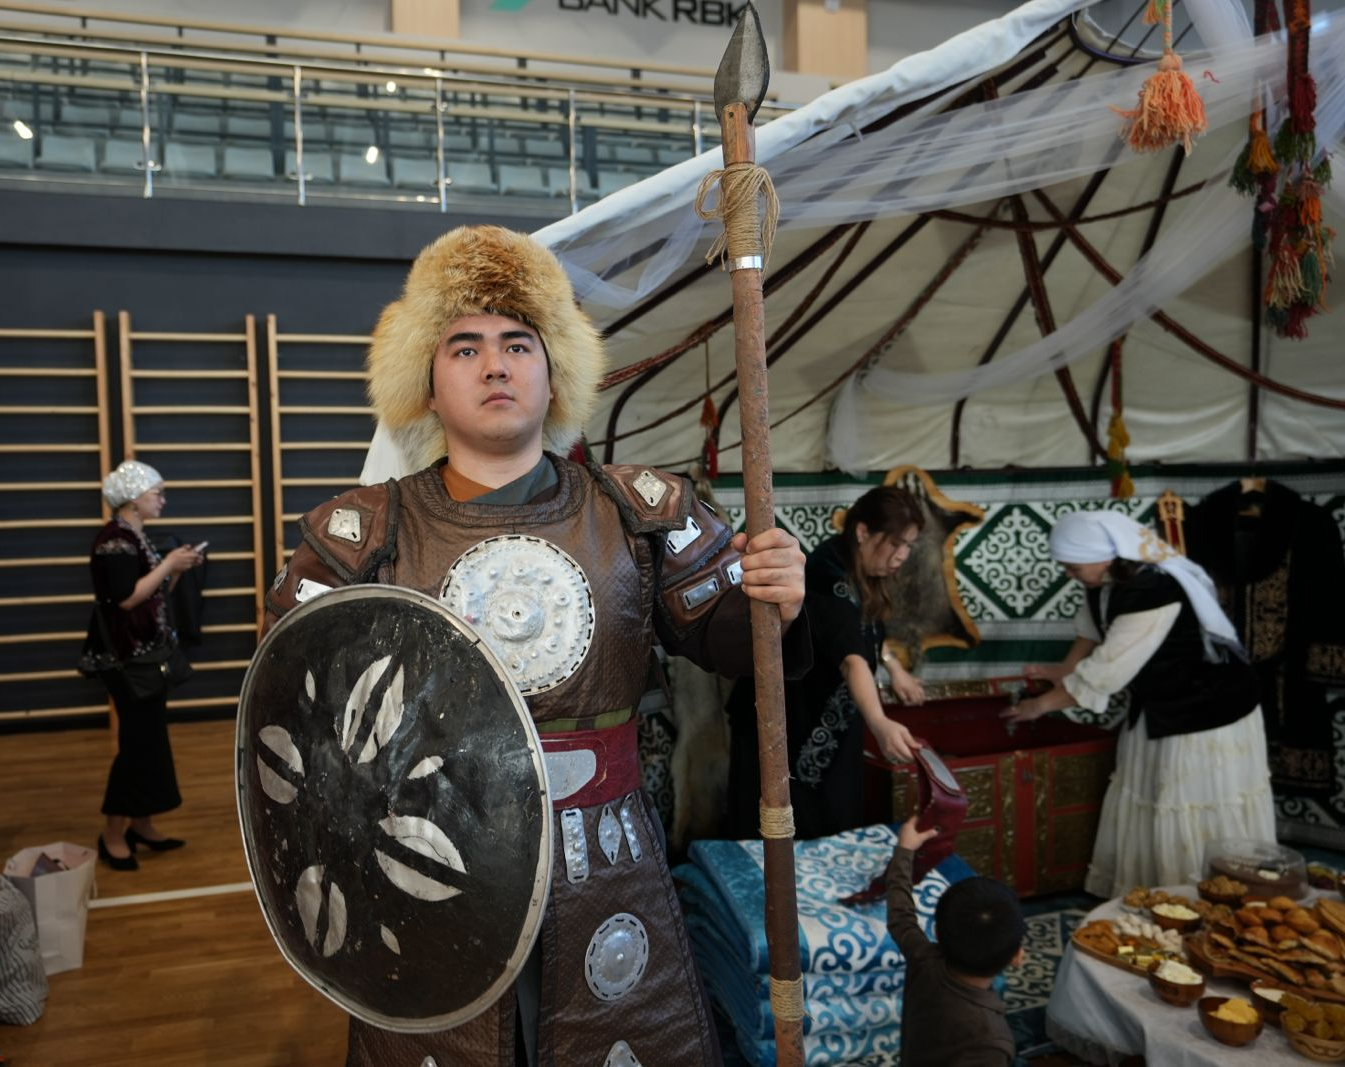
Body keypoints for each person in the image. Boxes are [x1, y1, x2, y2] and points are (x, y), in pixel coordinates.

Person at [261, 225, 812, 1067]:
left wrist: (776, 598)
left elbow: (735, 643)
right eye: (465, 347)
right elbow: (294, 724)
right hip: (423, 869)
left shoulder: (641, 512)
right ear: (427, 381)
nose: (496, 366)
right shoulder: (357, 538)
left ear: (555, 373)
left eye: (519, 344)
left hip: (608, 869)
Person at [1002, 510, 1274, 896]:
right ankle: (1157, 895)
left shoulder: (1152, 591)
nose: (1068, 575)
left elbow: (1105, 671)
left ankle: (1196, 897)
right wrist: (1062, 670)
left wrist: (1038, 706)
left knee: (1190, 801)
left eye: (1073, 567)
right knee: (1155, 796)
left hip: (1207, 711)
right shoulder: (1105, 581)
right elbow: (1090, 632)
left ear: (1104, 556)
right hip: (1163, 702)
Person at [724, 485, 929, 840]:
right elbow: (852, 660)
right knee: (788, 826)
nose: (902, 555)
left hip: (825, 723)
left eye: (909, 545)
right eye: (896, 543)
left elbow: (864, 633)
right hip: (790, 726)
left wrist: (894, 668)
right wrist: (879, 722)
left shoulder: (856, 568)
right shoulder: (828, 579)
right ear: (863, 532)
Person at [82, 459, 203, 872]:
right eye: (157, 494)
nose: (162, 500)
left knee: (149, 741)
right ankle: (113, 835)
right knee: (137, 744)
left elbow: (150, 592)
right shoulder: (115, 541)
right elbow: (126, 599)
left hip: (142, 654)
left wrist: (176, 570)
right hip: (126, 657)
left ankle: (141, 824)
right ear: (134, 499)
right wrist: (168, 565)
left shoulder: (133, 536)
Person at [887, 815, 1022, 1067]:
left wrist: (905, 850)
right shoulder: (991, 1041)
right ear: (1017, 956)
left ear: (937, 932)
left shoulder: (924, 959)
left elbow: (900, 916)